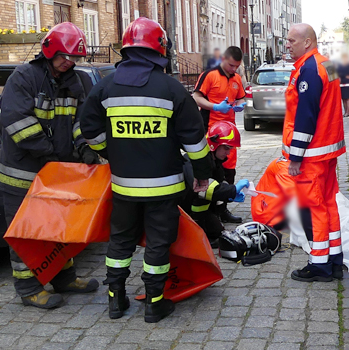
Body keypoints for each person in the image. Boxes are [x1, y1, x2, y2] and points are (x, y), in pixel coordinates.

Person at [79, 17, 213, 323]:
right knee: (158, 244)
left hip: (123, 187)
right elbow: (194, 141)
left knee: (120, 242)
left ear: (127, 49)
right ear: (160, 48)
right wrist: (203, 174)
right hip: (163, 189)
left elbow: (89, 128)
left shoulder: (106, 86)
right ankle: (154, 304)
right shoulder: (171, 88)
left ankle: (116, 301)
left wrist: (109, 152)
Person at [0, 22, 100, 309]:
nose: (70, 62)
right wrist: (49, 156)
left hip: (56, 173)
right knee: (25, 234)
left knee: (57, 230)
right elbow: (18, 123)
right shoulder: (24, 78)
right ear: (49, 50)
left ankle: (64, 277)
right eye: (65, 56)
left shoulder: (75, 81)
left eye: (75, 58)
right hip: (23, 175)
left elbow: (80, 121)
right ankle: (29, 288)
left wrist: (85, 149)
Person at [283, 23, 346, 282]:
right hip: (328, 149)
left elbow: (305, 117)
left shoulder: (308, 70)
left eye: (291, 41)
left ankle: (319, 265)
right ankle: (334, 259)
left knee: (315, 206)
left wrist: (295, 157)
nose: (287, 44)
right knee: (329, 203)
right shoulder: (326, 64)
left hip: (312, 153)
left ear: (307, 42)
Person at [192, 46, 247, 223]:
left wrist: (240, 103)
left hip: (229, 133)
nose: (233, 69)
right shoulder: (209, 75)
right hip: (211, 132)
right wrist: (215, 106)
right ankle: (210, 210)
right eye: (231, 65)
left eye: (236, 66)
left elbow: (241, 97)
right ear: (223, 59)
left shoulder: (237, 78)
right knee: (213, 172)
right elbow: (196, 97)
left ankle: (223, 209)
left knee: (229, 171)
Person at [182, 121, 251, 246]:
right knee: (213, 234)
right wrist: (233, 190)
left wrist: (229, 195)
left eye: (230, 149)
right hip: (183, 211)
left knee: (218, 233)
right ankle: (195, 231)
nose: (228, 153)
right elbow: (205, 189)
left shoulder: (215, 162)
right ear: (214, 144)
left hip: (200, 209)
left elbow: (219, 182)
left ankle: (202, 227)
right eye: (226, 148)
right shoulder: (195, 162)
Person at [338, 53, 349, 117]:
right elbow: (339, 72)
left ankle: (348, 112)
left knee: (347, 98)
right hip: (342, 82)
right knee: (343, 98)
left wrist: (343, 75)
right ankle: (345, 111)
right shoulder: (340, 65)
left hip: (348, 82)